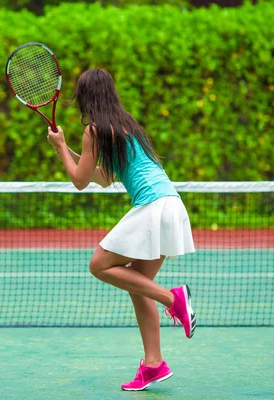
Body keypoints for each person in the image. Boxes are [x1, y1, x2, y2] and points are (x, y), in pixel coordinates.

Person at [46, 68, 196, 391]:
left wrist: (59, 148)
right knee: (137, 284)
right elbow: (103, 177)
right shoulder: (126, 125)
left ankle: (173, 299)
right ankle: (154, 364)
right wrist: (68, 146)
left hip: (153, 206)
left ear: (85, 98)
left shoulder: (95, 130)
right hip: (172, 204)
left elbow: (80, 181)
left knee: (98, 264)